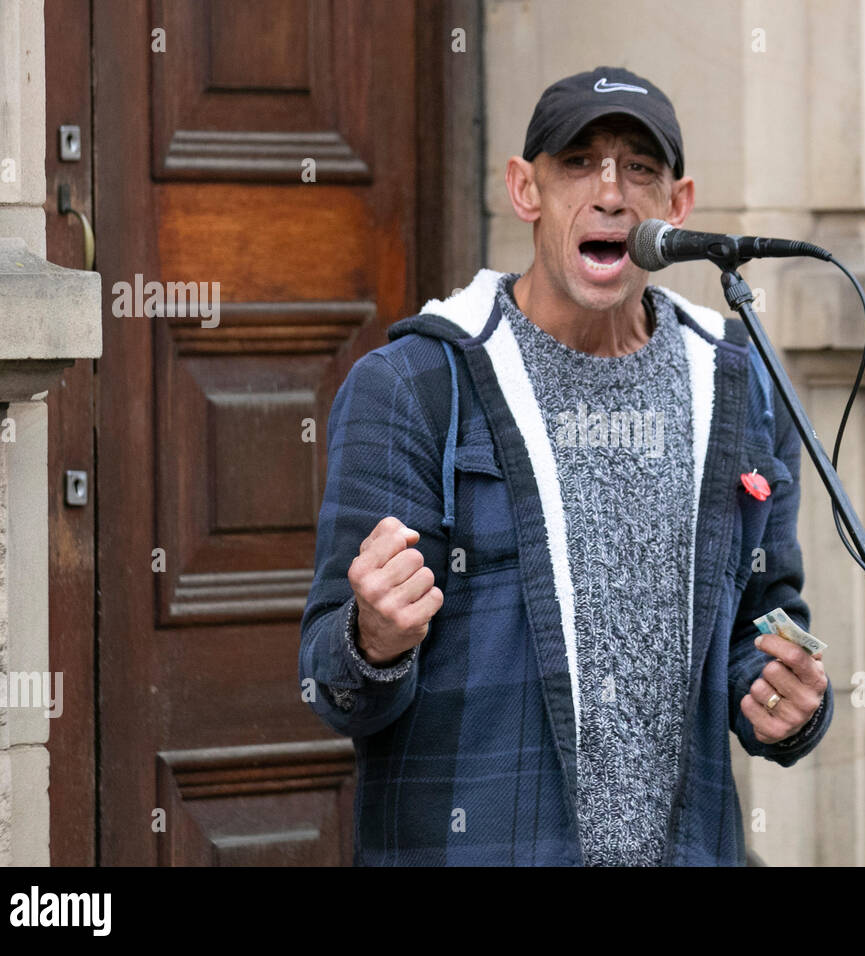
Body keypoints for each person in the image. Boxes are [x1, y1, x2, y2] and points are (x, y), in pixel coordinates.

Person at [299, 66, 833, 866]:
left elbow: (767, 609)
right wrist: (373, 637)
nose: (611, 193)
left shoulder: (740, 383)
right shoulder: (415, 384)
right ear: (526, 190)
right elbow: (329, 686)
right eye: (579, 162)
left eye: (639, 169)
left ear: (677, 206)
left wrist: (783, 697)